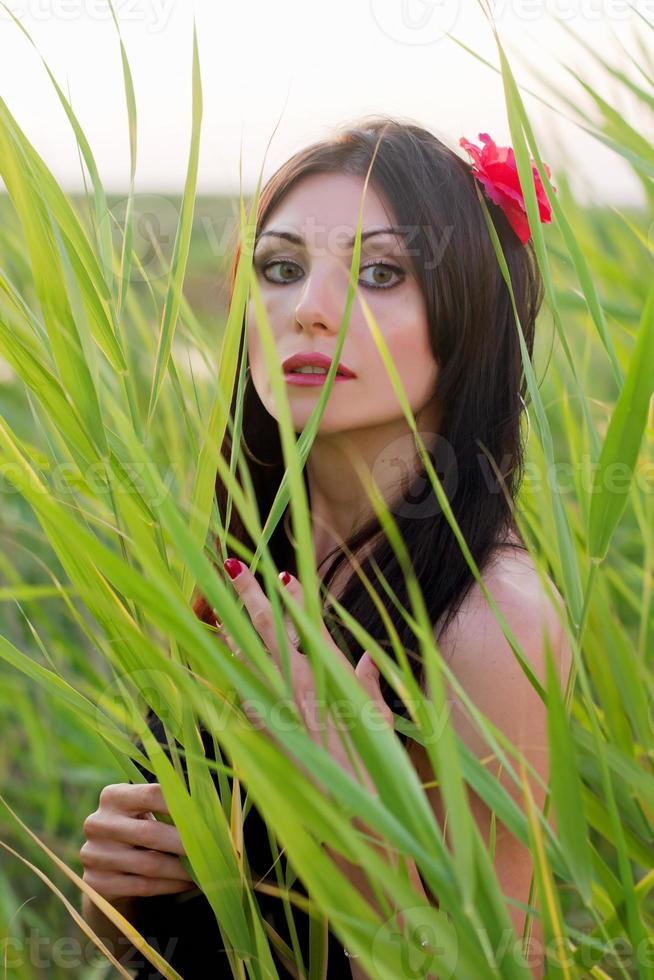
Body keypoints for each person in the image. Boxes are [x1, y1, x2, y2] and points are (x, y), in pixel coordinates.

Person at [80, 115, 572, 979]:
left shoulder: (493, 622)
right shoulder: (253, 560)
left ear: (471, 318)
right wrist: (119, 894)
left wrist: (340, 813)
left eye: (381, 273)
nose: (308, 311)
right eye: (280, 268)